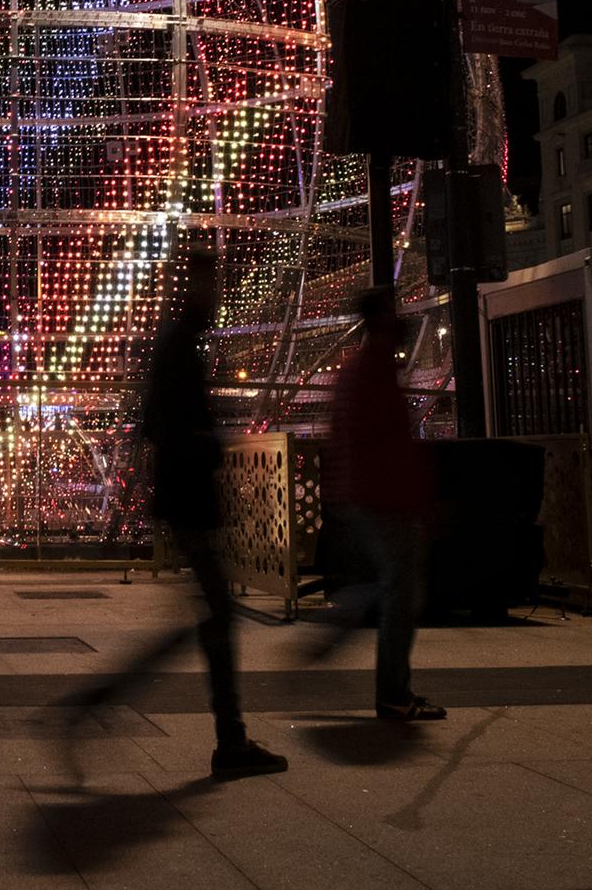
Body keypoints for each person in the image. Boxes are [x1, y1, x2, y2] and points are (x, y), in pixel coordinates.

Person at [142, 252, 286, 777]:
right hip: (189, 500)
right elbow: (164, 425)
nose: (219, 294)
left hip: (186, 500)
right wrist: (208, 447)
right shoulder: (179, 344)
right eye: (213, 284)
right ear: (197, 286)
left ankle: (232, 738)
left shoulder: (177, 341)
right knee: (214, 620)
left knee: (208, 619)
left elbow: (151, 422)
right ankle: (231, 742)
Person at [315, 286, 446, 722]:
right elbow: (389, 443)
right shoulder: (373, 371)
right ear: (380, 319)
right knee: (402, 591)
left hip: (362, 494)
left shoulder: (358, 369)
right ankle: (391, 690)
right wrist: (417, 498)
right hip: (383, 497)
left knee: (396, 586)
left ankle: (346, 621)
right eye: (394, 312)